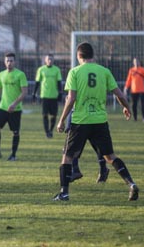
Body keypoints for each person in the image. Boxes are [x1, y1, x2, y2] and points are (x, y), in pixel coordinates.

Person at [54, 42, 139, 202]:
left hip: (80, 121)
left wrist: (61, 120)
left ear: (79, 56)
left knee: (67, 157)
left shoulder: (75, 72)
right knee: (110, 156)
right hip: (100, 121)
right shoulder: (104, 71)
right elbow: (119, 94)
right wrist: (126, 107)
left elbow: (71, 99)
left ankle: (64, 193)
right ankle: (131, 184)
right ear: (93, 55)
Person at [0, 52, 28, 161]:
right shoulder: (1, 74)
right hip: (3, 107)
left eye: (11, 61)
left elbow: (24, 92)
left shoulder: (20, 74)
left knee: (15, 132)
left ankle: (13, 155)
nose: (9, 63)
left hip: (15, 109)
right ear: (4, 62)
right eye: (7, 61)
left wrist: (14, 104)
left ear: (15, 62)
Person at [33, 54, 62, 138]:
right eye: (48, 59)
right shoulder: (41, 69)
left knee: (54, 115)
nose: (50, 61)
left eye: (51, 59)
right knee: (45, 115)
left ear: (53, 60)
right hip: (44, 96)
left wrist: (60, 93)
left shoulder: (57, 70)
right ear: (45, 60)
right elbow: (37, 82)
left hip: (54, 96)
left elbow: (59, 82)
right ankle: (47, 132)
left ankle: (51, 130)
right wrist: (34, 93)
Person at [124, 57, 144, 122]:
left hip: (142, 90)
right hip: (133, 90)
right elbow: (128, 80)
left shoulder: (142, 69)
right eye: (135, 62)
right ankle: (135, 118)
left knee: (142, 104)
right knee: (134, 105)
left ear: (139, 62)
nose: (136, 63)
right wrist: (126, 87)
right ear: (133, 63)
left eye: (137, 61)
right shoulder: (131, 70)